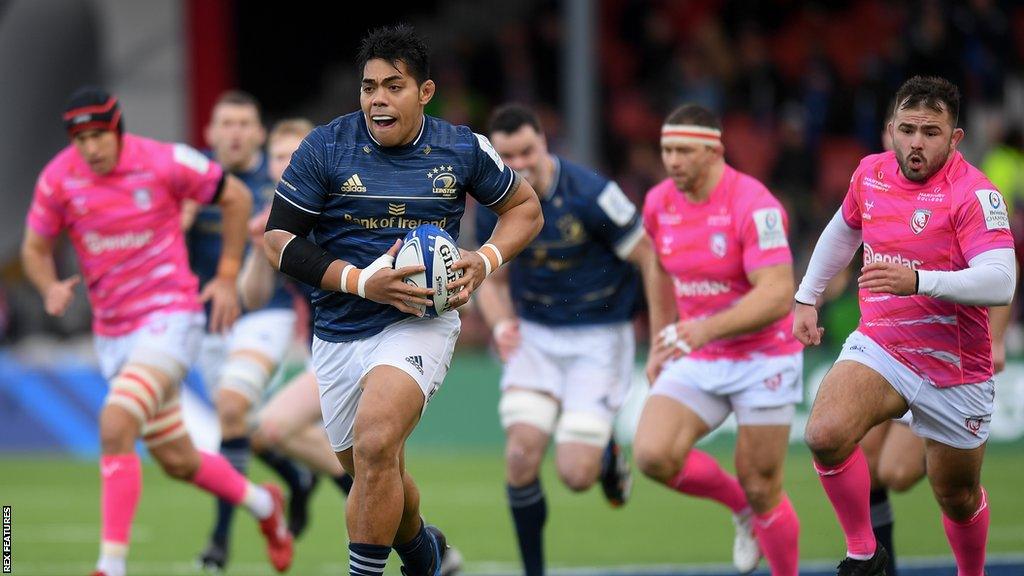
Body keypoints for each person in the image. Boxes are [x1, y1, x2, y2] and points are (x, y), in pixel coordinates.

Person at [262, 25, 543, 576]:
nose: (378, 100)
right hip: (340, 328)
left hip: (420, 322)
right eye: (369, 88)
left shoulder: (461, 147)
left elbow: (525, 209)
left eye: (393, 86)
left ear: (425, 92)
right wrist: (363, 282)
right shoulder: (326, 147)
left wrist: (483, 261)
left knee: (373, 444)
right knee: (377, 469)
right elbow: (279, 240)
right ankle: (421, 551)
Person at [20, 87, 293, 576]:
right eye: (80, 139)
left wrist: (227, 275)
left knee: (115, 423)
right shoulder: (58, 178)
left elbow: (232, 197)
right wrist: (48, 287)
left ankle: (110, 565)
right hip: (114, 334)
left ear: (117, 128)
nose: (91, 148)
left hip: (171, 319)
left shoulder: (165, 160)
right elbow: (34, 249)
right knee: (179, 460)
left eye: (99, 135)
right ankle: (264, 505)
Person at [796, 76, 1015, 576]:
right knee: (826, 433)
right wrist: (806, 295)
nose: (917, 142)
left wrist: (919, 279)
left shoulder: (974, 194)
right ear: (891, 129)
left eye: (931, 132)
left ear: (955, 138)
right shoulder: (869, 173)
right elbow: (843, 230)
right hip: (883, 345)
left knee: (956, 496)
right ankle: (863, 553)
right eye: (908, 129)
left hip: (955, 369)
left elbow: (1001, 281)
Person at [473, 104, 673, 576]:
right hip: (536, 337)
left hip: (600, 338)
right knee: (520, 455)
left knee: (575, 475)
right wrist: (501, 324)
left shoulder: (592, 193)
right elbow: (493, 280)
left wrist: (663, 335)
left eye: (526, 151)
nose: (518, 164)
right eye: (507, 156)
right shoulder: (493, 204)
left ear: (544, 142)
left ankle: (604, 454)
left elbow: (650, 259)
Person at [634, 104, 802, 576]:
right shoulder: (658, 202)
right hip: (699, 352)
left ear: (715, 152)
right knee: (653, 454)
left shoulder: (755, 204)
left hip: (763, 357)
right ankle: (742, 511)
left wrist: (702, 329)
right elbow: (658, 268)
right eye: (667, 150)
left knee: (762, 483)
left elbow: (777, 295)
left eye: (684, 150)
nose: (672, 160)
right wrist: (662, 341)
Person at [184, 92, 314, 573]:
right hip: (208, 322)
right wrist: (180, 222)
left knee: (233, 410)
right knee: (243, 430)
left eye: (245, 123)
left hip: (265, 314)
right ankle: (295, 483)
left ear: (259, 133)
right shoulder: (193, 181)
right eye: (226, 124)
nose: (235, 133)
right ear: (210, 133)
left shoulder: (282, 180)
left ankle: (219, 544)